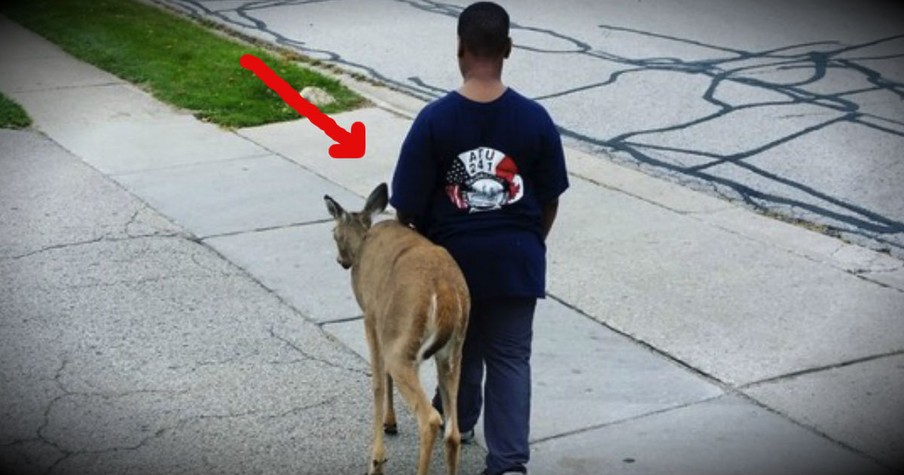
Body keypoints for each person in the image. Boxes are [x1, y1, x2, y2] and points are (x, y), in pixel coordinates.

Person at [389, 2, 569, 474]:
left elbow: (405, 205)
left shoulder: (434, 121)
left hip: (452, 262)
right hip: (516, 259)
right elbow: (550, 198)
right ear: (508, 49)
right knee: (510, 357)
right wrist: (531, 241)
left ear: (460, 50)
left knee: (458, 347)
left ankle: (456, 418)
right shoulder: (534, 119)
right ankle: (508, 462)